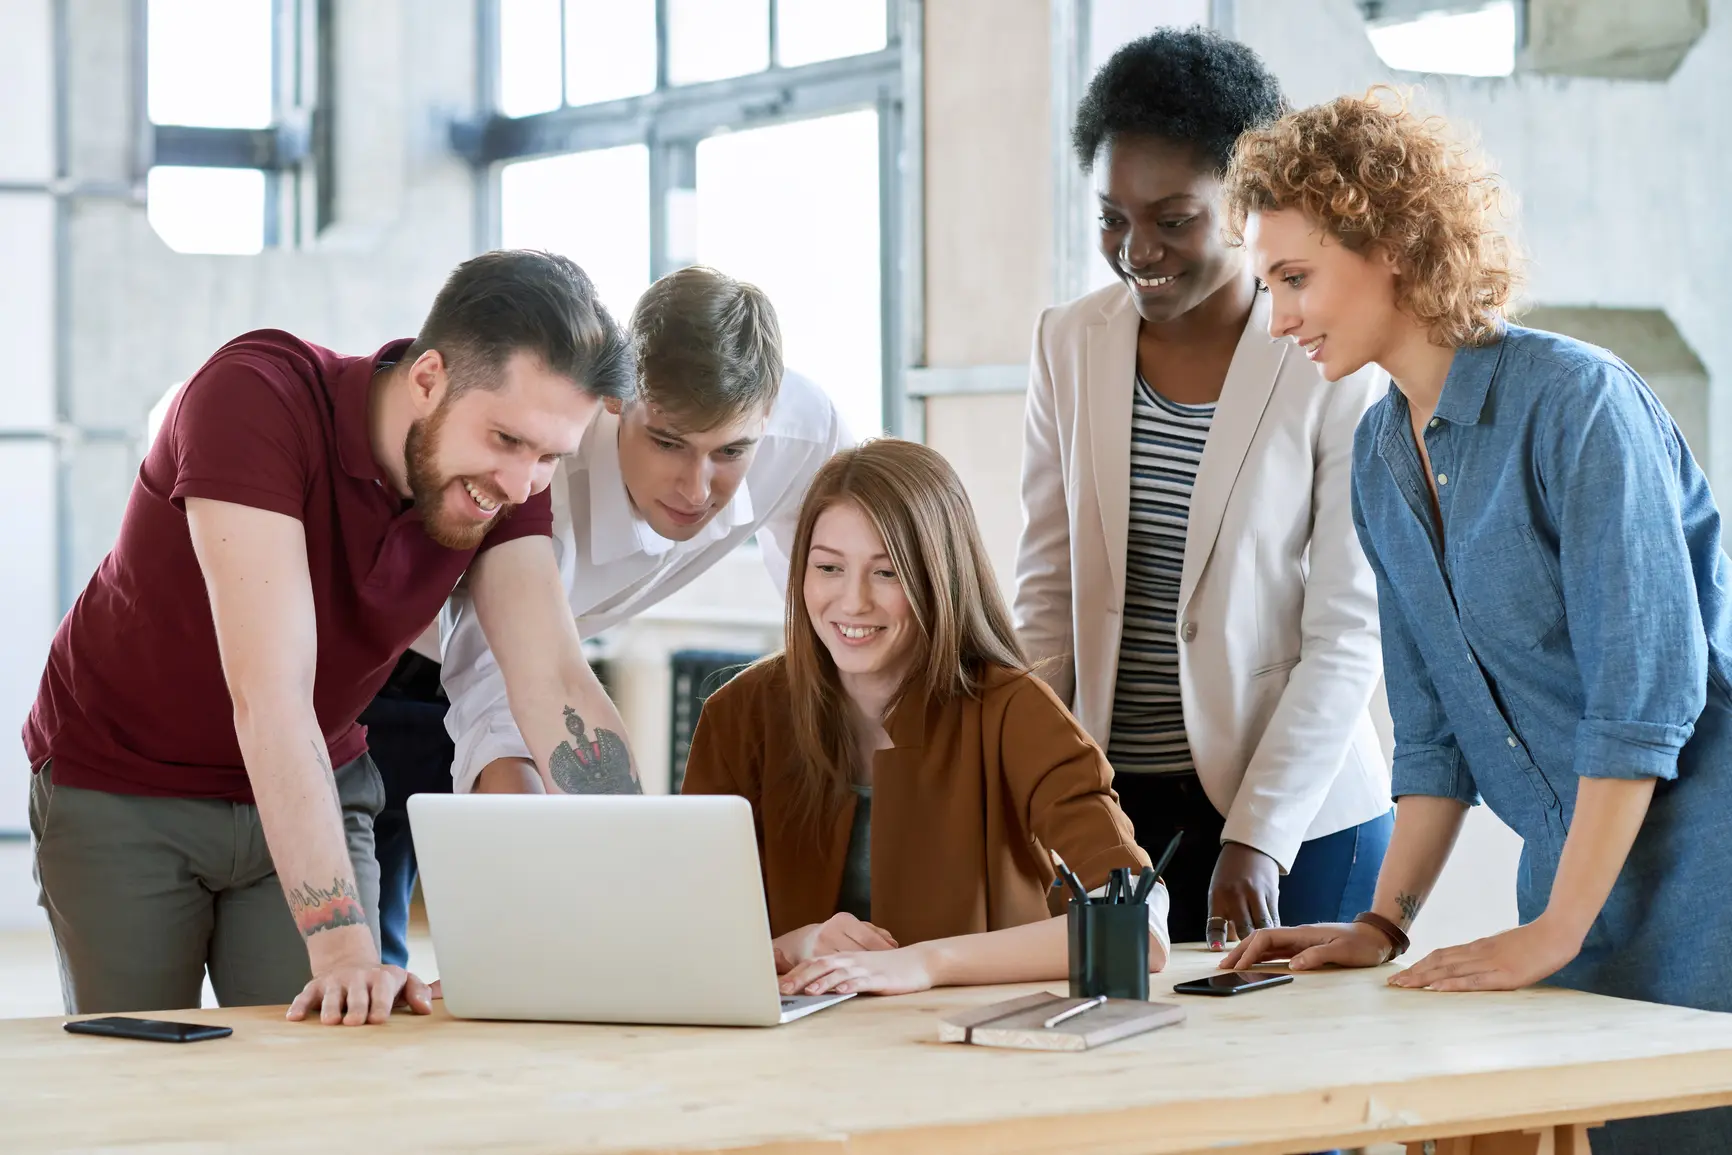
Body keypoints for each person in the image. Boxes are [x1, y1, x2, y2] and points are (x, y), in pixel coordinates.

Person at [1219, 89, 1732, 1153]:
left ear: (1395, 240)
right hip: (1580, 896)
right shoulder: (1375, 457)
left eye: (1295, 278)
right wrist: (1383, 921)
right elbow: (1437, 736)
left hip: (1705, 880)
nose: (1277, 318)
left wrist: (1551, 930)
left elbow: (1645, 701)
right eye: (1268, 285)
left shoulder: (1577, 405)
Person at [26, 249, 644, 1026]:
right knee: (144, 1080)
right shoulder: (253, 397)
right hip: (126, 783)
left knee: (337, 1051)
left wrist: (642, 909)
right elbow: (270, 695)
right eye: (507, 440)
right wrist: (346, 943)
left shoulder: (505, 484)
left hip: (318, 776)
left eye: (550, 456)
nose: (521, 483)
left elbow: (553, 680)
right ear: (428, 378)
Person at [1014, 27, 1392, 951]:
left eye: (1173, 218)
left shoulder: (1329, 358)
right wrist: (1034, 790)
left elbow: (1348, 627)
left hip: (1299, 818)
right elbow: (1046, 602)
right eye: (1112, 216)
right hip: (1113, 814)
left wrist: (1258, 835)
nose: (1136, 248)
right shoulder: (1069, 342)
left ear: (1245, 199)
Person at [363, 266, 851, 966]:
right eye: (669, 442)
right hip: (390, 678)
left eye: (731, 452)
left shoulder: (808, 434)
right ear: (618, 400)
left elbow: (837, 597)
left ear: (767, 415)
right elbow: (507, 707)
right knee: (367, 973)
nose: (695, 487)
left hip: (544, 673)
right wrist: (605, 907)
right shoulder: (544, 479)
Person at [683, 439, 1169, 997]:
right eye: (829, 568)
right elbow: (687, 936)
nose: (853, 601)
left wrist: (928, 962)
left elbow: (1139, 929)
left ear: (939, 577)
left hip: (973, 1050)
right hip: (792, 1059)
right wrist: (799, 944)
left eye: (887, 573)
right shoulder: (738, 713)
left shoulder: (1013, 708)